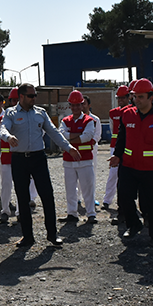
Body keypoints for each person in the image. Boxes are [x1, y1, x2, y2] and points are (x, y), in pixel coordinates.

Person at [0, 83, 80, 248]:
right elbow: (3, 129)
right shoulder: (10, 113)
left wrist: (68, 147)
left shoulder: (41, 113)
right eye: (31, 96)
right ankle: (27, 237)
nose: (34, 98)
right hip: (19, 159)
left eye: (35, 95)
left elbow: (54, 132)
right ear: (21, 96)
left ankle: (52, 234)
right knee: (23, 198)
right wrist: (8, 137)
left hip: (38, 158)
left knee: (47, 195)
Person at [109, 79, 153, 244]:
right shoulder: (127, 115)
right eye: (135, 97)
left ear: (151, 97)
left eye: (140, 97)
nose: (137, 100)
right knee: (124, 197)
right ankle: (134, 225)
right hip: (129, 166)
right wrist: (117, 155)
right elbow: (121, 138)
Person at [59, 90, 98, 224]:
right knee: (70, 189)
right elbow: (61, 135)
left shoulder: (89, 120)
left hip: (85, 159)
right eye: (73, 105)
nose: (75, 108)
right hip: (69, 160)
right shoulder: (65, 120)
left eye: (78, 105)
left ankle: (91, 213)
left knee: (88, 188)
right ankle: (72, 213)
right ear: (69, 106)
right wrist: (78, 136)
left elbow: (88, 136)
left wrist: (69, 137)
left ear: (82, 105)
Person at [103, 85, 131, 211]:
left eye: (123, 98)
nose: (120, 100)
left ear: (128, 98)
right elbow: (111, 128)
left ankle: (127, 202)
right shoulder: (113, 113)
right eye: (119, 98)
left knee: (128, 174)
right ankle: (107, 200)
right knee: (113, 173)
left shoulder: (132, 111)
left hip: (129, 146)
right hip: (115, 146)